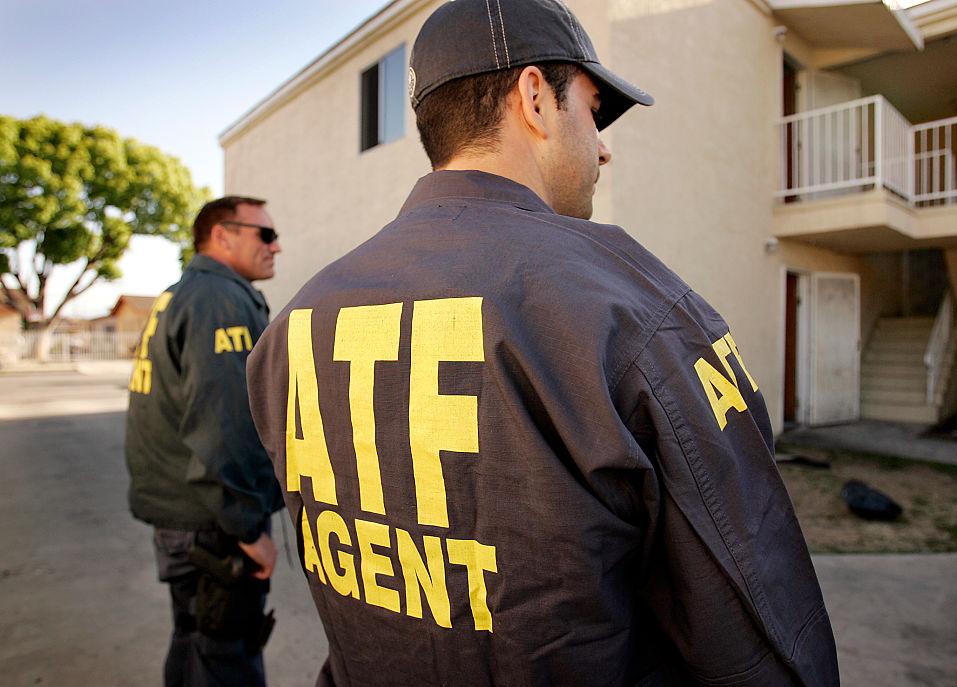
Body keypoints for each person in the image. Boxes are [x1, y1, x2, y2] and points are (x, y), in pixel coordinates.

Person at [246, 1, 839, 685]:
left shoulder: (294, 322)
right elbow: (758, 622)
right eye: (593, 111)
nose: (604, 146)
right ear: (534, 97)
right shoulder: (626, 302)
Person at [126, 195, 285, 687]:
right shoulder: (219, 300)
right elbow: (224, 426)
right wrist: (247, 529)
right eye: (265, 234)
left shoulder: (185, 293)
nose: (276, 246)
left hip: (187, 515)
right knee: (223, 653)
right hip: (211, 523)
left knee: (195, 640)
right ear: (222, 235)